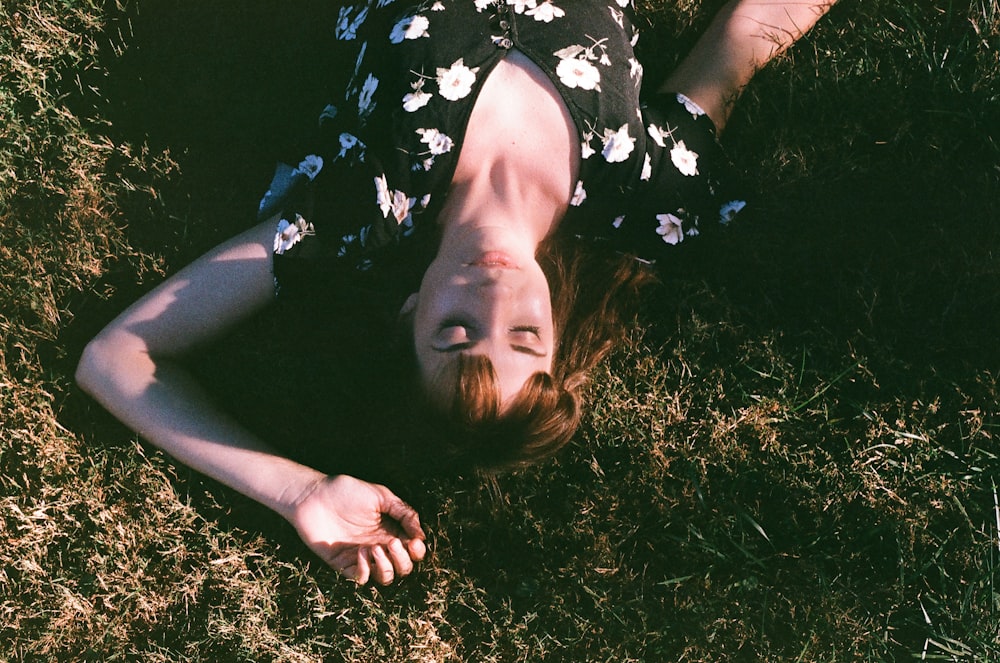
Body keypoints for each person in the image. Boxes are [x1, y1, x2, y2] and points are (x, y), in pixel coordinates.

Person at [76, 0, 836, 586]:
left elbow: (117, 355)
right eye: (524, 338)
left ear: (409, 312)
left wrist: (298, 490)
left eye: (455, 332)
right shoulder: (641, 193)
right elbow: (746, 36)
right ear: (557, 331)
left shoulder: (363, 209)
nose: (495, 298)